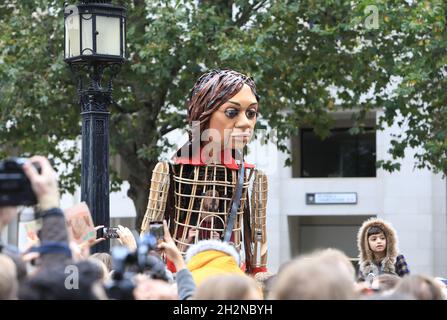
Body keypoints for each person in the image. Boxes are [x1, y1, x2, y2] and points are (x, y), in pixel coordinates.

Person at [140, 69, 269, 275]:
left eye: (251, 113)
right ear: (203, 112)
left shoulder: (253, 176)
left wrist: (258, 271)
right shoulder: (169, 170)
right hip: (179, 271)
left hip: (232, 273)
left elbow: (257, 231)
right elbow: (152, 227)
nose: (246, 123)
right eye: (232, 112)